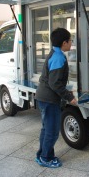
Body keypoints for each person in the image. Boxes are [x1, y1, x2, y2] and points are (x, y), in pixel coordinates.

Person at [35, 28, 77, 168]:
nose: (71, 43)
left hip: (44, 97)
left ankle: (42, 155)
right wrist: (69, 97)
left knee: (46, 129)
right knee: (52, 132)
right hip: (49, 100)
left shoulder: (55, 53)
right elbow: (55, 83)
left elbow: (54, 81)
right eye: (70, 40)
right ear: (64, 42)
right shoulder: (58, 57)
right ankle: (46, 158)